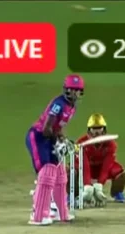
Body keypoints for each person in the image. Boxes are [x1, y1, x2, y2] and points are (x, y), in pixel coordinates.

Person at [26, 74, 85, 226]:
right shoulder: (58, 104)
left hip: (49, 138)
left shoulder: (72, 108)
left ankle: (60, 211)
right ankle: (38, 215)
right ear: (66, 90)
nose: (74, 93)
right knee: (47, 171)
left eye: (77, 90)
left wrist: (64, 140)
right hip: (38, 137)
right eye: (72, 90)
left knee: (60, 173)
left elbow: (57, 128)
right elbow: (46, 129)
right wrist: (59, 141)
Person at [76, 113, 125, 205]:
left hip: (102, 168)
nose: (97, 132)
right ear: (89, 129)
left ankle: (117, 192)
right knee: (71, 171)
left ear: (104, 129)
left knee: (121, 173)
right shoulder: (81, 143)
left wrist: (99, 185)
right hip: (86, 168)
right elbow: (84, 165)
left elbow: (106, 166)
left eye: (99, 128)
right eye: (94, 128)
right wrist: (87, 186)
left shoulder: (111, 144)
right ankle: (73, 194)